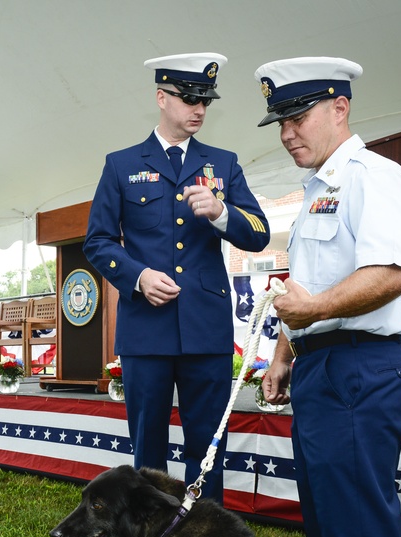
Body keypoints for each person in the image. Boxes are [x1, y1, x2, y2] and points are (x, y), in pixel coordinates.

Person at [253, 57, 401, 537]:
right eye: (281, 122)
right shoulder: (321, 188)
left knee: (356, 512)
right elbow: (312, 288)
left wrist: (314, 313)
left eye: (297, 117)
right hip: (324, 361)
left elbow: (393, 272)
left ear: (339, 109)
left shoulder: (373, 177)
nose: (286, 133)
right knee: (324, 511)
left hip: (361, 363)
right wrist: (284, 354)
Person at [83, 53, 271, 499]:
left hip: (205, 327)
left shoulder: (223, 164)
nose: (199, 109)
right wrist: (139, 275)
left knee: (207, 446)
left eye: (205, 100)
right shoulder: (121, 164)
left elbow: (260, 233)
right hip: (145, 330)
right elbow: (98, 241)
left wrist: (224, 213)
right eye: (189, 99)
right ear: (161, 98)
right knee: (148, 448)